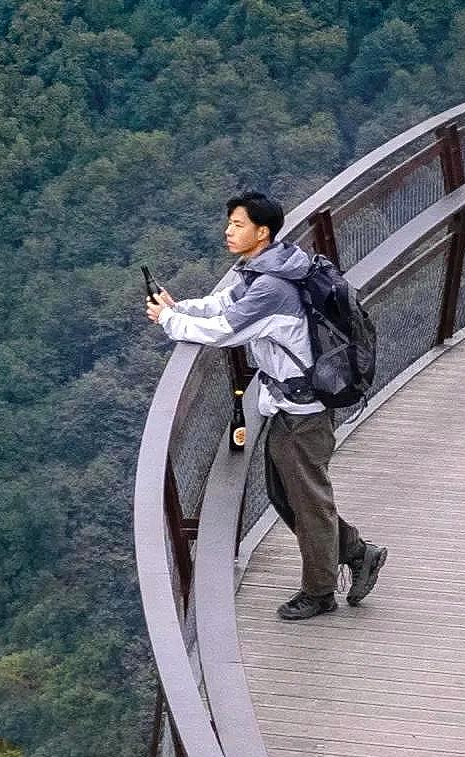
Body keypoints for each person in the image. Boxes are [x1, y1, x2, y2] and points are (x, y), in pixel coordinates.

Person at [147, 191, 388, 622]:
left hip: (305, 414)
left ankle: (319, 592)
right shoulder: (264, 268)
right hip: (288, 407)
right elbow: (222, 305)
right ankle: (357, 552)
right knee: (284, 493)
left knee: (309, 503)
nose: (228, 231)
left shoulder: (273, 287)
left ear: (263, 232)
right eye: (229, 222)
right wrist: (178, 308)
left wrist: (168, 323)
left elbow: (224, 330)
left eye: (237, 225)